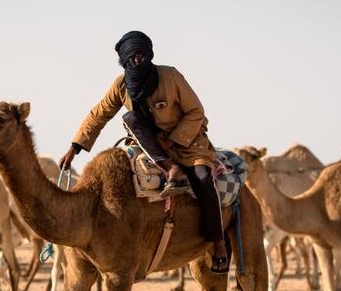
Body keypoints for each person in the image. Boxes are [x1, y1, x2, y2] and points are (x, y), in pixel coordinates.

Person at [58, 30, 230, 274]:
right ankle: (169, 169)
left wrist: (173, 140)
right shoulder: (121, 85)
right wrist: (75, 147)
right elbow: (99, 114)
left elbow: (196, 112)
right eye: (132, 57)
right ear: (125, 61)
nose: (137, 61)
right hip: (151, 146)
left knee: (203, 178)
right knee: (130, 118)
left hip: (187, 143)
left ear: (149, 56)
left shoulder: (170, 76)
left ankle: (218, 242)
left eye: (141, 56)